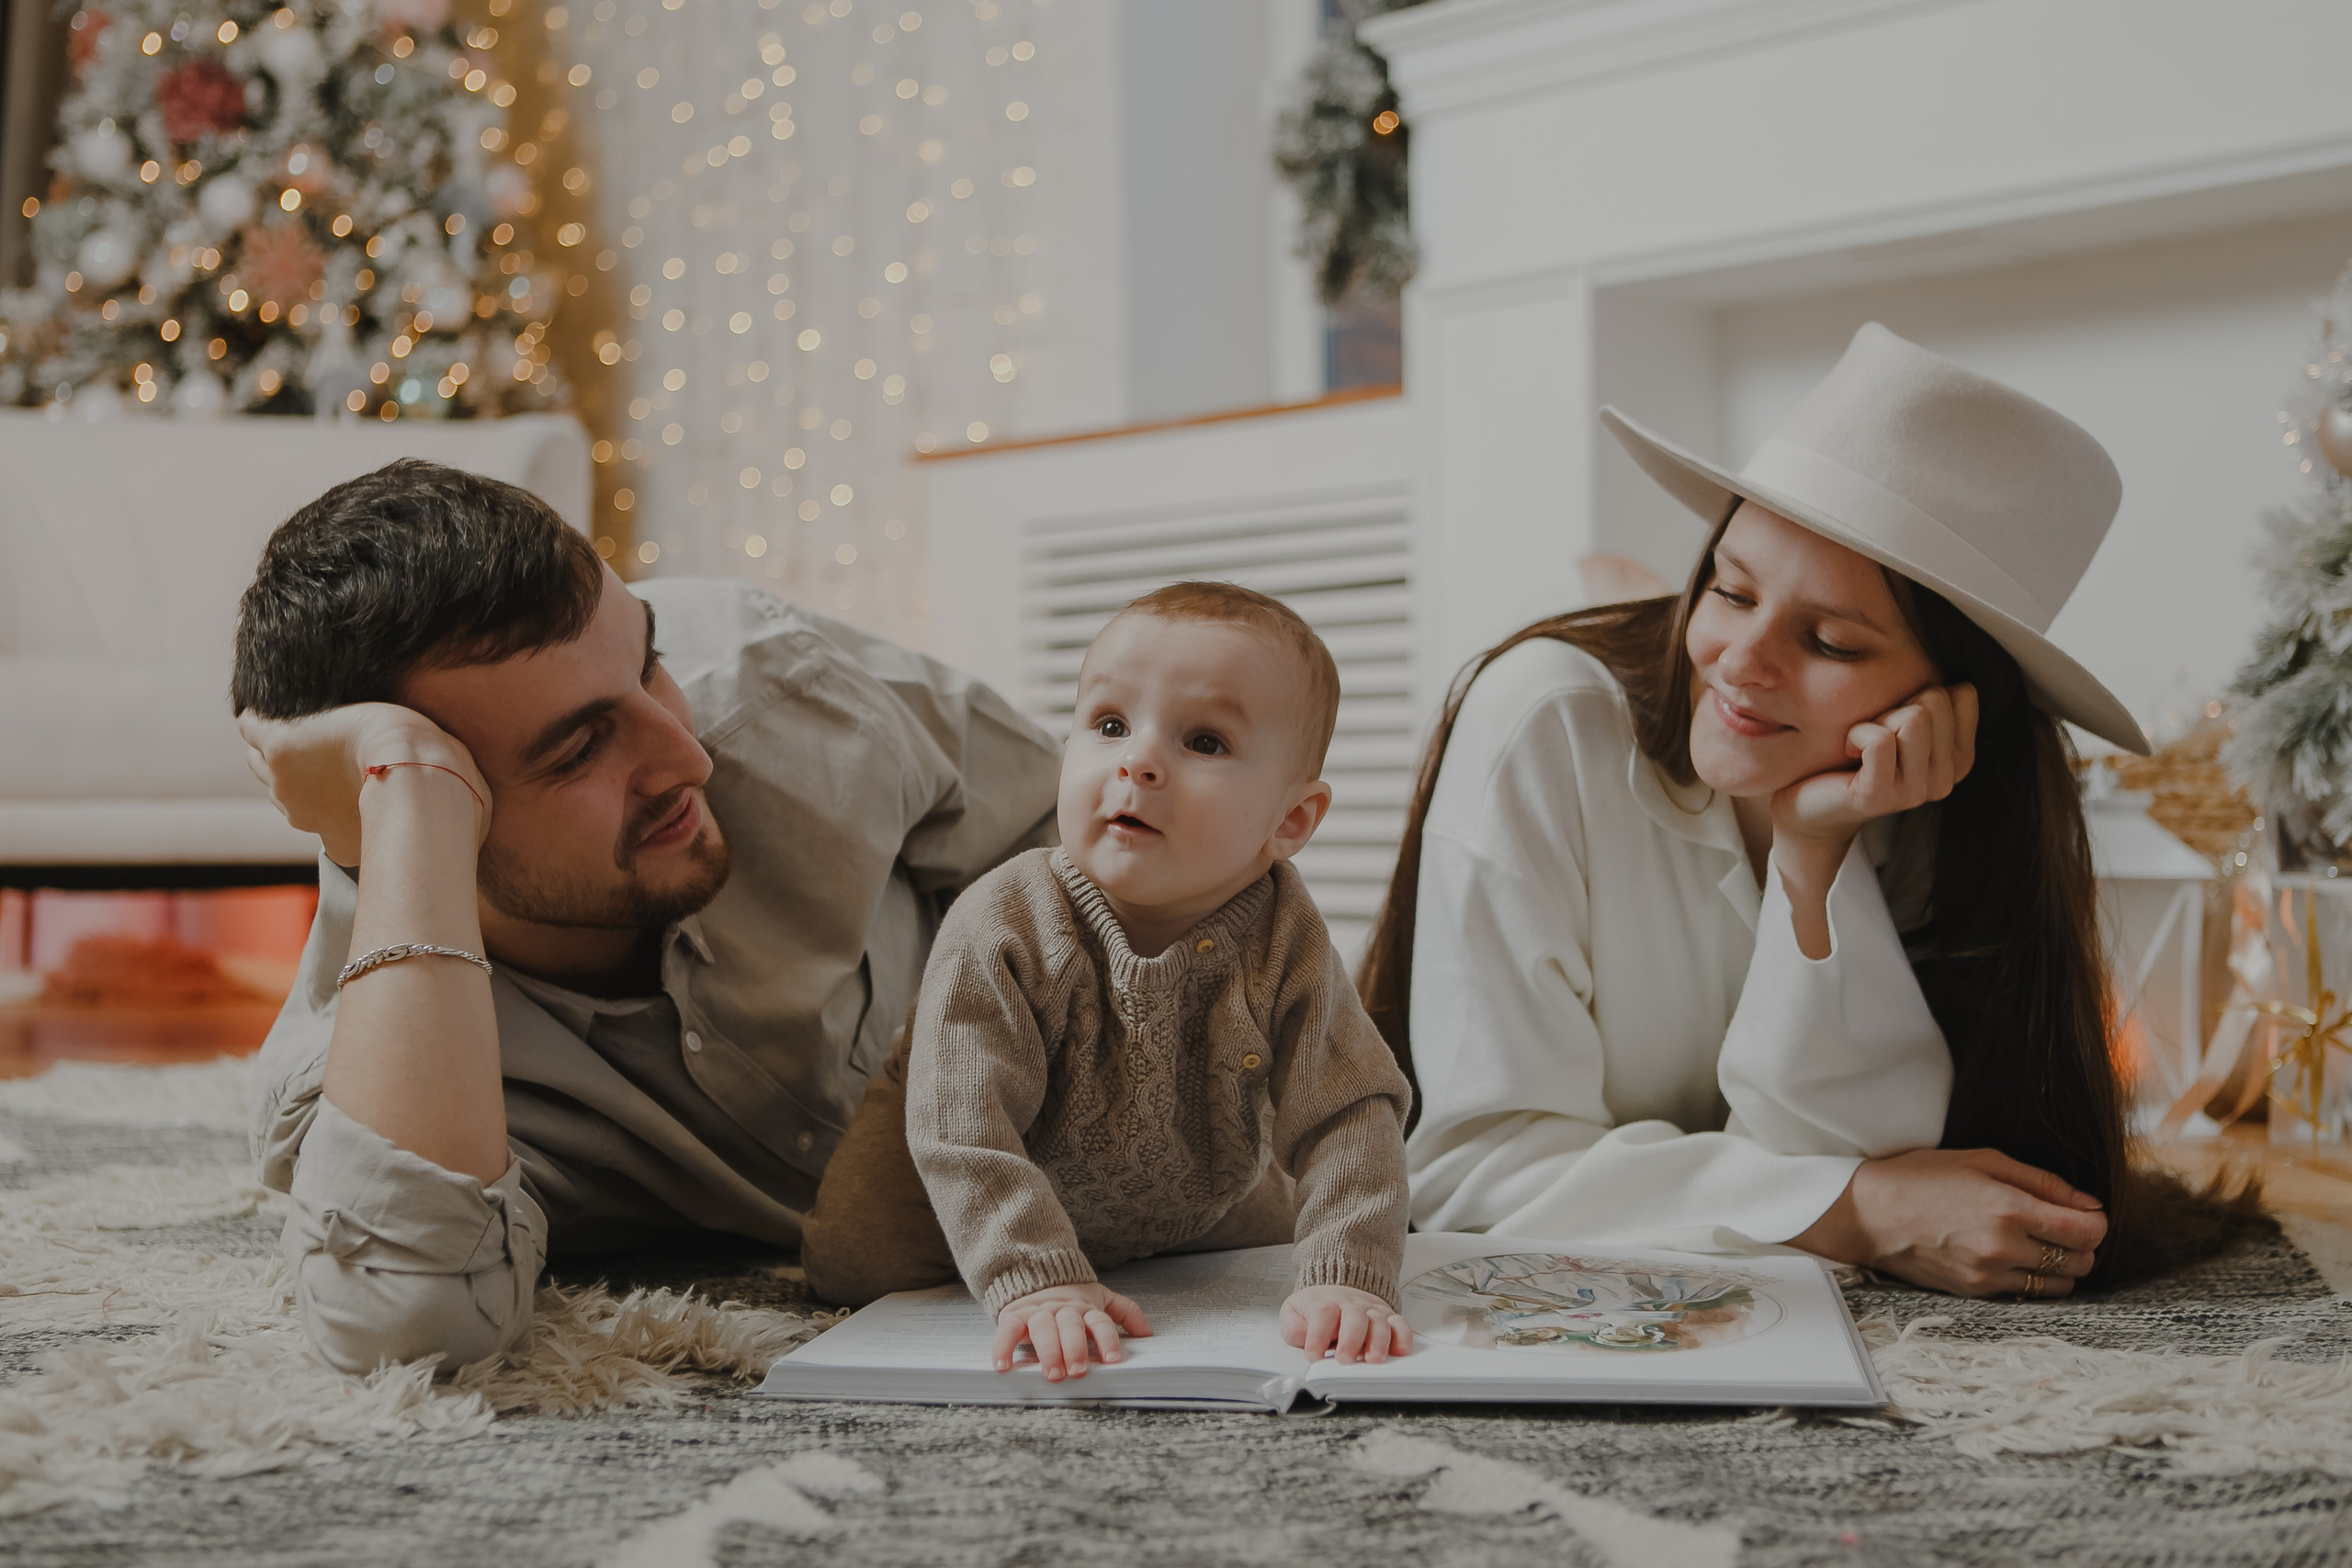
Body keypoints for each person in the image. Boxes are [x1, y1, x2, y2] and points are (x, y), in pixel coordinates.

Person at [1362, 323, 2264, 1300]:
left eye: (1830, 641)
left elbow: (1857, 1152)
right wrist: (1861, 1208)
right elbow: (1471, 1174)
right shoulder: (1542, 720)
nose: (1740, 662)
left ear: (1953, 704)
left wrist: (1813, 852)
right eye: (1728, 588)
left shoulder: (1930, 801)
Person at [232, 459, 1059, 1373]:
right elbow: (408, 1330)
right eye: (580, 748)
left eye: (649, 662)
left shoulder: (773, 679)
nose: (687, 754)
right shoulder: (347, 1076)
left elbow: (1074, 831)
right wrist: (408, 786)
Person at [800, 583, 1415, 1380]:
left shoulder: (1286, 937)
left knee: (1284, 1223)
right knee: (856, 1260)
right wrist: (1038, 1282)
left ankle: (1177, 1230)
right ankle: (1028, 1250)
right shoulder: (1006, 919)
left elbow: (1350, 1109)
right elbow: (965, 1121)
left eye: (1204, 741)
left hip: (1195, 1167)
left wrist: (1348, 1272)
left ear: (1290, 822)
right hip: (970, 1138)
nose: (1139, 761)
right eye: (1111, 725)